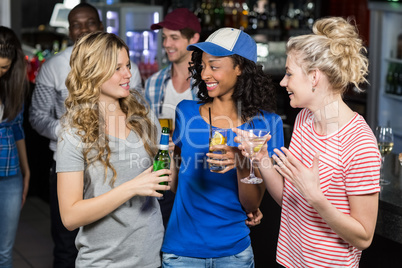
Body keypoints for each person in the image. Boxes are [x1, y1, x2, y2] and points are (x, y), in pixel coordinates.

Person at [234, 17, 381, 268]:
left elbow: (364, 236)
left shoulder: (360, 143)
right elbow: (289, 200)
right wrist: (262, 159)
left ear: (314, 77)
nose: (282, 82)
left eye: (289, 73)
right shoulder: (304, 120)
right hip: (289, 261)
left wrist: (316, 197)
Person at [29, 3, 142, 267]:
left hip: (118, 161)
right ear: (69, 30)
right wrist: (78, 132)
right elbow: (37, 116)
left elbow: (136, 109)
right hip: (68, 163)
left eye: (89, 23)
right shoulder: (54, 66)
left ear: (100, 25)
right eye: (76, 24)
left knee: (123, 231)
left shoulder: (125, 66)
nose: (83, 29)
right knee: (67, 243)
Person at [161, 28, 284, 267]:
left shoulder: (267, 124)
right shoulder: (186, 111)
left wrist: (240, 162)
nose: (205, 73)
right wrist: (166, 161)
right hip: (181, 253)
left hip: (234, 253)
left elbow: (252, 205)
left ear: (240, 68)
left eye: (214, 66)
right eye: (202, 65)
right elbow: (177, 186)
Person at [56, 31, 171, 267]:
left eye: (128, 65)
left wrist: (168, 160)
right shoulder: (74, 133)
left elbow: (165, 184)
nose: (128, 74)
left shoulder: (143, 116)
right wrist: (132, 187)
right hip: (102, 261)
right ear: (93, 71)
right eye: (117, 68)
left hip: (150, 258)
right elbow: (70, 216)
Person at [145, 7, 201, 227]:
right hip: (163, 177)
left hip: (197, 177)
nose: (167, 44)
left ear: (194, 39)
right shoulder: (153, 82)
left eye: (174, 38)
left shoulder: (208, 82)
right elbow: (145, 130)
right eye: (165, 37)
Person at [0, 26, 30, 267]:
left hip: (10, 174)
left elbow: (18, 127)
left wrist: (26, 169)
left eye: (3, 68)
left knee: (5, 252)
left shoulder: (12, 86)